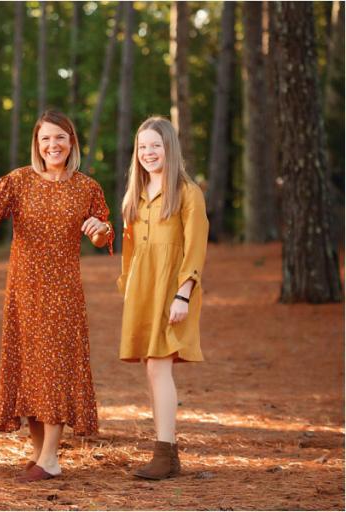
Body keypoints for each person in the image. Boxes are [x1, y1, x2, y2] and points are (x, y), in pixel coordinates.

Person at [0, 110, 113, 482]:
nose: (52, 145)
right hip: (24, 291)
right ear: (37, 144)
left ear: (71, 142)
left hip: (63, 293)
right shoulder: (19, 181)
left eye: (60, 137)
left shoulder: (86, 187)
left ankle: (50, 459)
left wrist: (100, 228)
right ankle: (38, 454)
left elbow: (104, 235)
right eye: (45, 139)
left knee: (56, 370)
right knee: (28, 368)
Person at [117, 116, 208, 480]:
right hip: (142, 289)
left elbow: (195, 249)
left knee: (159, 366)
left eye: (155, 145)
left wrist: (183, 294)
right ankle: (166, 452)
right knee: (152, 369)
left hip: (173, 289)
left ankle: (165, 452)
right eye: (142, 147)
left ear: (169, 147)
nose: (148, 153)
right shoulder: (135, 195)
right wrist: (128, 287)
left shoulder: (188, 193)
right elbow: (129, 248)